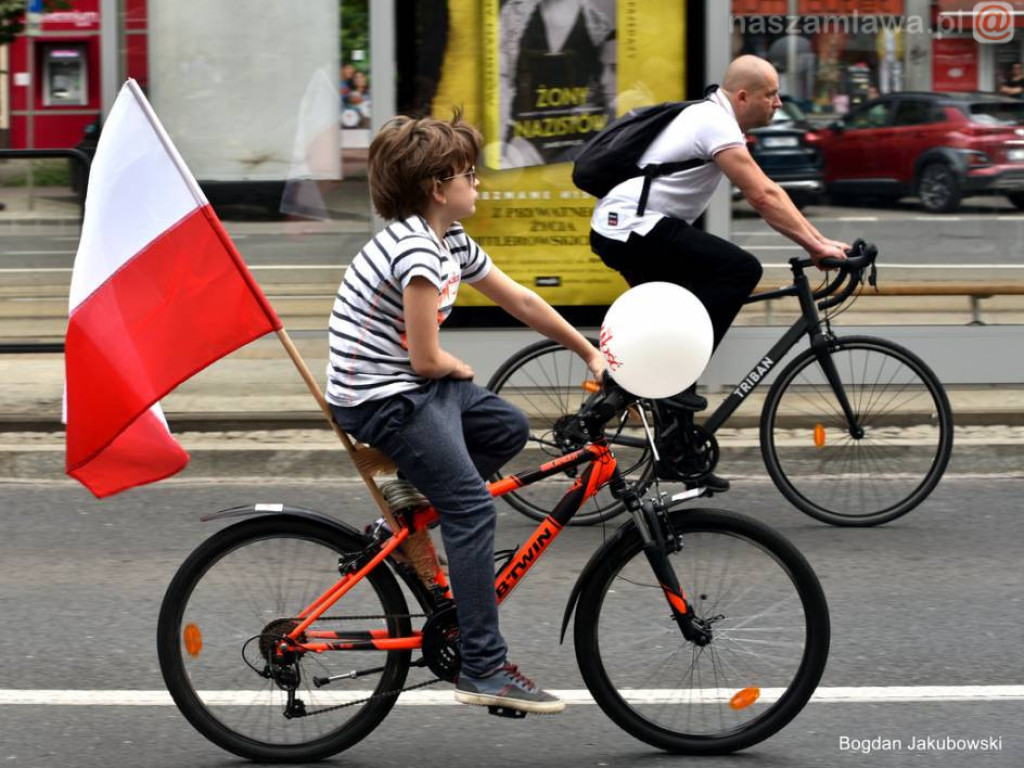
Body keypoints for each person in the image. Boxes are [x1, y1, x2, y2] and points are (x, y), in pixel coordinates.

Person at [326, 111, 605, 714]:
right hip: (382, 398)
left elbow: (521, 298)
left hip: (406, 385)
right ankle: (483, 668)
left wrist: (589, 350)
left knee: (504, 426)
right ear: (437, 187)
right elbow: (426, 360)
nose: (476, 184)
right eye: (469, 175)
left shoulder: (447, 239)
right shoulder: (416, 253)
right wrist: (454, 367)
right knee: (473, 510)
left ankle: (408, 517)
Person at [588, 55, 849, 491]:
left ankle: (675, 447)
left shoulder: (712, 118)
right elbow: (763, 195)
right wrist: (817, 246)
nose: (779, 103)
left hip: (634, 230)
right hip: (631, 229)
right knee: (738, 270)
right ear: (743, 95)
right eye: (771, 95)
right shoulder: (714, 122)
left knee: (677, 329)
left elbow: (770, 194)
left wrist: (819, 241)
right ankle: (668, 379)